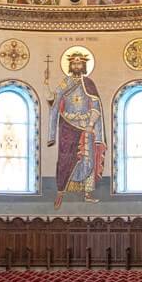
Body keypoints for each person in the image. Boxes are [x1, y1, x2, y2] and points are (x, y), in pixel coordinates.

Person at [47, 51, 105, 209]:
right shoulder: (65, 83)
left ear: (84, 65)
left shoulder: (89, 83)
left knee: (87, 158)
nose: (77, 65)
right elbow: (55, 101)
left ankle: (87, 193)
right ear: (70, 66)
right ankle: (61, 192)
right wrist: (48, 92)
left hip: (86, 124)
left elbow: (96, 105)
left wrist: (91, 124)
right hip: (67, 125)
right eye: (74, 63)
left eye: (79, 63)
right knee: (66, 157)